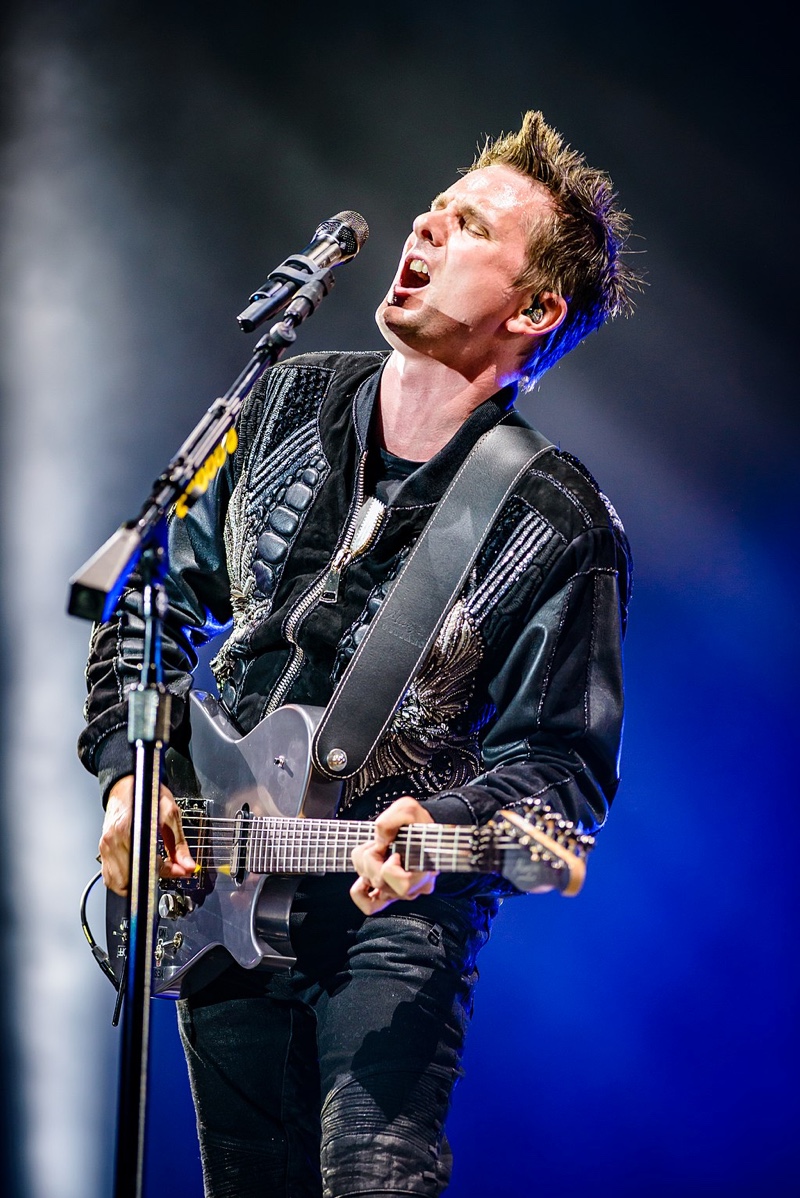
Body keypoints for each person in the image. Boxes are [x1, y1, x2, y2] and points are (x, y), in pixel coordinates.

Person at [81, 111, 637, 1197]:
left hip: (395, 913)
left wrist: (452, 824)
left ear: (533, 308)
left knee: (371, 1181)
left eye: (469, 224)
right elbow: (143, 593)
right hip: (220, 888)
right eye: (436, 205)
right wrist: (126, 776)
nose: (425, 222)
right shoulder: (278, 403)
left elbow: (563, 756)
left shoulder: (557, 518)